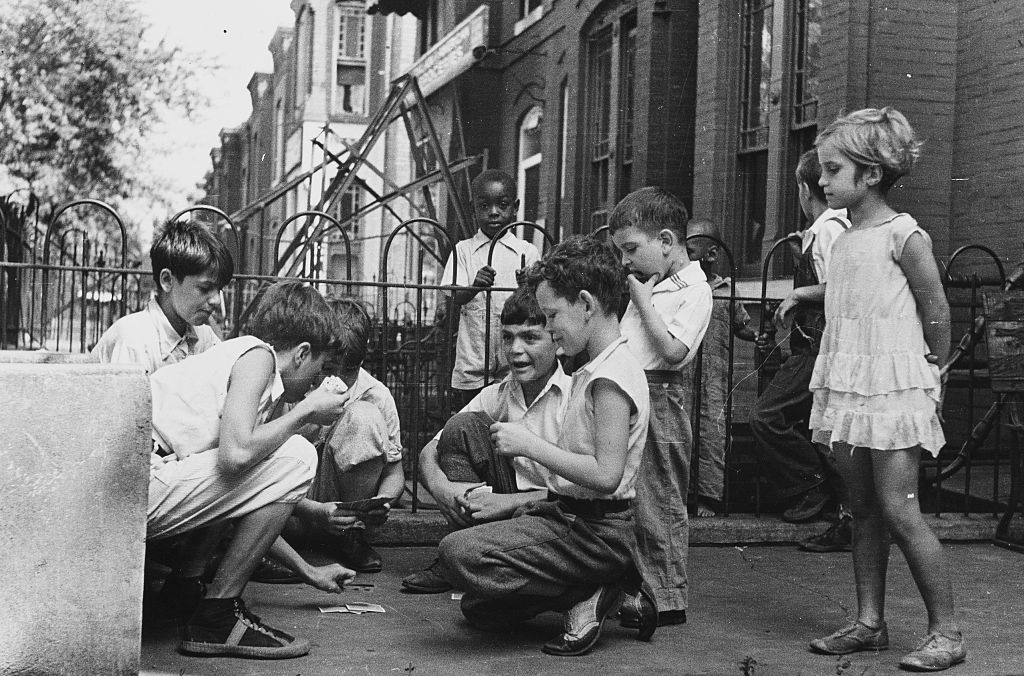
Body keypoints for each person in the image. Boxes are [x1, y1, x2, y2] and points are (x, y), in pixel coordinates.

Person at [437, 236, 656, 657]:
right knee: (480, 610)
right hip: (566, 514)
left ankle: (597, 585)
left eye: (553, 315)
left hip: (597, 531)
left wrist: (530, 445)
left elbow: (606, 476)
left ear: (588, 305)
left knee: (458, 555)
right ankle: (593, 590)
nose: (551, 328)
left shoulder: (610, 379)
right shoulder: (595, 366)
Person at [803, 107, 965, 671]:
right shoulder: (844, 238)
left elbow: (936, 307)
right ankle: (870, 622)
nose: (821, 182)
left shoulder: (904, 233)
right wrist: (806, 300)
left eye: (831, 170)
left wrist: (932, 371)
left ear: (871, 175)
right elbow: (851, 302)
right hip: (852, 386)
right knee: (863, 509)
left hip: (894, 389)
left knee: (901, 509)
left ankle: (947, 631)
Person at [147, 281, 356, 659]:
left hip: (146, 482)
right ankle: (216, 617)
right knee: (298, 454)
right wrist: (305, 413)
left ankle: (182, 593)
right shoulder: (258, 358)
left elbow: (241, 499)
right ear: (302, 353)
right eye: (319, 369)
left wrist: (308, 571)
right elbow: (236, 456)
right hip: (140, 482)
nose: (314, 384)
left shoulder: (252, 369)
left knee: (277, 455)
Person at [401, 285, 567, 594]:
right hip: (505, 508)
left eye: (530, 337)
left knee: (483, 612)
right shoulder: (499, 393)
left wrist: (505, 503)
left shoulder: (573, 397)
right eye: (508, 337)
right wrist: (443, 489)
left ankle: (477, 560)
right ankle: (460, 556)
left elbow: (581, 494)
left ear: (557, 340)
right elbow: (429, 451)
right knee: (461, 426)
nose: (515, 349)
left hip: (555, 516)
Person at [608, 187, 712, 628]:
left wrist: (644, 304)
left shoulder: (694, 290)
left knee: (660, 497)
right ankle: (635, 592)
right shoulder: (650, 285)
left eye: (632, 248)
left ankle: (667, 596)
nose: (626, 260)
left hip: (662, 396)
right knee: (628, 494)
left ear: (667, 241)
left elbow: (672, 351)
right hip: (630, 390)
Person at [749, 150, 850, 525]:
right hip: (813, 345)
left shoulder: (828, 228)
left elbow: (839, 285)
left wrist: (797, 293)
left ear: (805, 190)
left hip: (817, 347)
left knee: (765, 416)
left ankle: (813, 486)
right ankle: (834, 502)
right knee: (816, 426)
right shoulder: (828, 228)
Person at [285, 296, 405, 573]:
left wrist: (383, 501)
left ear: (362, 359)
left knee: (363, 415)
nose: (337, 378)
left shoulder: (376, 394)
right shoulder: (294, 383)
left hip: (341, 509)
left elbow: (394, 472)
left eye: (348, 370)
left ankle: (350, 534)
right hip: (293, 507)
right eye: (328, 367)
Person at [442, 169, 541, 408]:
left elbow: (540, 303)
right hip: (474, 362)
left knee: (512, 419)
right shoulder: (463, 250)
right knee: (474, 419)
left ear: (515, 207)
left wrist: (527, 287)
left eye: (503, 205)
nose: (493, 212)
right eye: (484, 206)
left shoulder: (526, 251)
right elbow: (453, 296)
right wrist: (475, 286)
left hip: (515, 362)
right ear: (473, 208)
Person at [685, 218, 757, 518]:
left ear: (711, 255)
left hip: (715, 377)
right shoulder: (681, 289)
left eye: (689, 250)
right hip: (686, 375)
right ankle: (681, 493)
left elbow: (741, 325)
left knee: (712, 435)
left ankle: (708, 497)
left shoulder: (726, 290)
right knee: (683, 431)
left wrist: (755, 335)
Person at [92, 219, 231, 372]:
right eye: (205, 288)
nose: (217, 300)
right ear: (167, 280)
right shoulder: (134, 339)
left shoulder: (204, 337)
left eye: (219, 289)